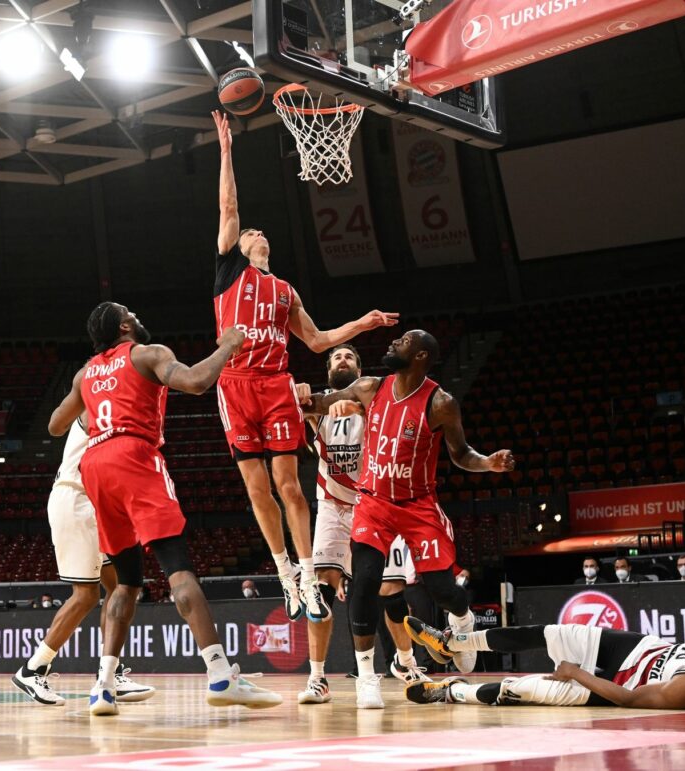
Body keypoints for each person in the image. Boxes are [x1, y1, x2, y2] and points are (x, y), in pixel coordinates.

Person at [210, 110, 398, 624]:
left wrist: (361, 323)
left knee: (290, 486)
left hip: (274, 386)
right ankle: (283, 572)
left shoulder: (285, 290)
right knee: (256, 489)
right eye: (252, 233)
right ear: (241, 244)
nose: (259, 234)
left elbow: (316, 341)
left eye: (261, 233)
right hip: (234, 386)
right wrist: (227, 152)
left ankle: (310, 575)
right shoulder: (230, 270)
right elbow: (229, 205)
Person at [49, 302, 281, 715]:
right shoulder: (149, 353)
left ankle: (102, 687)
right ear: (124, 325)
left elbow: (54, 425)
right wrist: (228, 345)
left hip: (95, 466)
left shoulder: (85, 373)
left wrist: (95, 395)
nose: (137, 316)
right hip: (134, 456)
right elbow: (195, 382)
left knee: (126, 583)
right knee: (178, 569)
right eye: (130, 313)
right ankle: (221, 674)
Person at [300, 329, 514, 709]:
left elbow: (461, 453)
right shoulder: (368, 388)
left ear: (420, 357)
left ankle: (461, 623)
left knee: (438, 588)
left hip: (417, 505)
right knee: (364, 583)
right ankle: (367, 675)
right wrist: (301, 395)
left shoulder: (441, 403)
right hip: (372, 502)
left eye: (400, 343)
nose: (391, 345)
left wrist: (487, 463)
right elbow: (318, 401)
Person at [299, 344, 429, 708]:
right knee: (320, 586)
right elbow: (294, 401)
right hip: (333, 504)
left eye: (350, 358)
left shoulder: (376, 398)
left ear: (359, 369)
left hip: (375, 502)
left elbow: (386, 409)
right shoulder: (319, 404)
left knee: (390, 589)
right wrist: (297, 390)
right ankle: (317, 678)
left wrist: (353, 404)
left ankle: (406, 664)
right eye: (337, 357)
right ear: (328, 371)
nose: (343, 360)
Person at [12, 416, 155, 707]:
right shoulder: (96, 406)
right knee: (86, 595)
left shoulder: (114, 405)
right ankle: (33, 668)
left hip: (95, 504)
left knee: (119, 588)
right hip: (76, 500)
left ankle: (110, 672)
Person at [403, 609, 685, 709]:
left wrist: (575, 672)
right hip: (635, 649)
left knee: (522, 690)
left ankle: (451, 691)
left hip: (617, 686)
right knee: (547, 632)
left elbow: (628, 700)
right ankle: (454, 643)